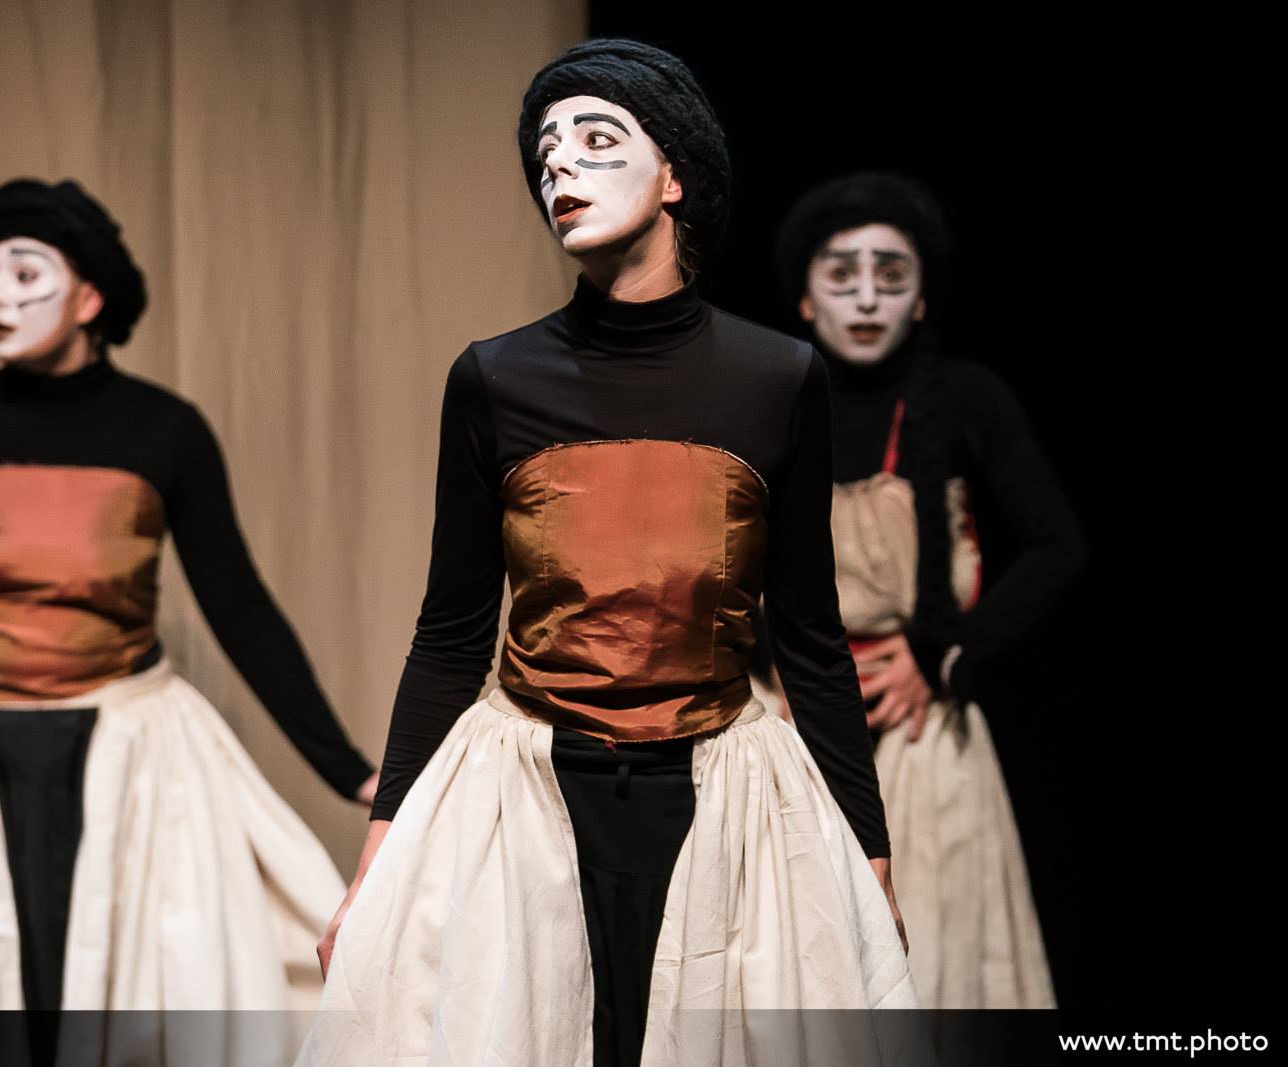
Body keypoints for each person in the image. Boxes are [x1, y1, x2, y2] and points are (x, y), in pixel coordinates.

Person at [300, 41, 915, 1067]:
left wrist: (871, 865)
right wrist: (375, 867)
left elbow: (811, 637)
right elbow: (449, 634)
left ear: (674, 175)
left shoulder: (776, 378)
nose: (560, 165)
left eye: (596, 139)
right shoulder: (495, 379)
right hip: (525, 799)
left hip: (719, 797)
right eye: (546, 152)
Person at [0, 179, 377, 1020]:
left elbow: (239, 606)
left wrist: (349, 770)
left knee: (123, 984)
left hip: (128, 752)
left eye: (24, 274)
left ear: (88, 297)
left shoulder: (166, 431)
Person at [768, 172, 1085, 1008]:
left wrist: (942, 653)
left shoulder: (963, 397)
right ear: (806, 297)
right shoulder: (769, 398)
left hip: (919, 729)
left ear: (920, 298)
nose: (867, 296)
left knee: (935, 970)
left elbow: (1056, 545)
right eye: (843, 274)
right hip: (790, 731)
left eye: (891, 274)